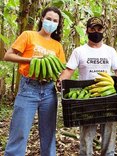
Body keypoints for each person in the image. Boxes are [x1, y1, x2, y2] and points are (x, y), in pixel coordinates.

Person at [3, 7, 66, 156]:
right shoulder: (28, 35)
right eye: (49, 19)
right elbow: (8, 56)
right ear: (42, 18)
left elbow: (61, 69)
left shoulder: (57, 46)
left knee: (48, 133)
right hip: (28, 88)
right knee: (20, 131)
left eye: (55, 21)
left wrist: (59, 81)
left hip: (49, 91)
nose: (51, 22)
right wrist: (30, 60)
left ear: (58, 24)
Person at [59, 17, 117, 156]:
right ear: (87, 30)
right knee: (87, 133)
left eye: (99, 29)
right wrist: (61, 81)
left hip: (108, 96)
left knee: (109, 130)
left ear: (103, 30)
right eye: (93, 29)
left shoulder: (110, 51)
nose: (96, 32)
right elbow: (69, 71)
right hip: (88, 96)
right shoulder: (79, 51)